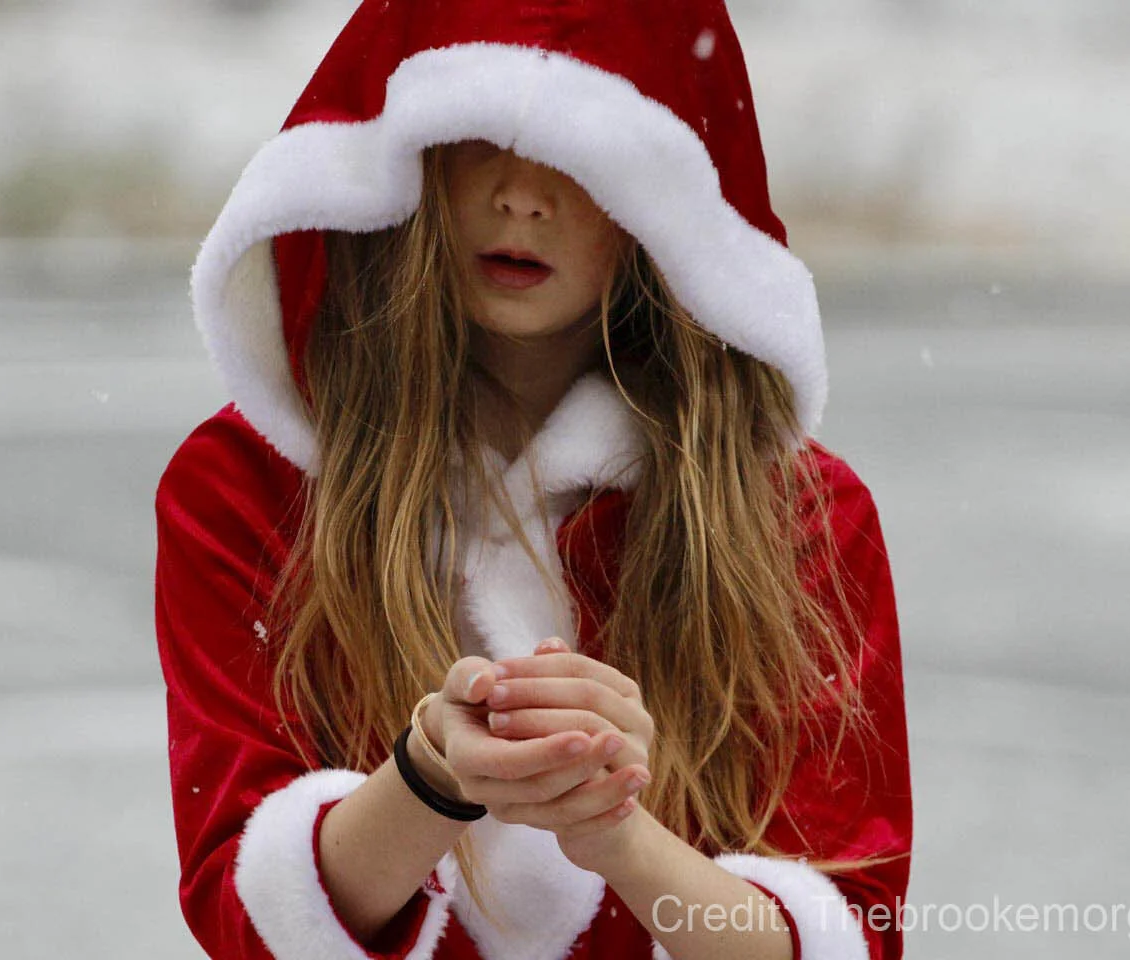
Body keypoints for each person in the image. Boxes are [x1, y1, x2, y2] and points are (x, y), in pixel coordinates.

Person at [153, 1, 913, 958]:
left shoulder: (795, 518)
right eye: (479, 137)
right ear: (404, 154)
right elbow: (245, 922)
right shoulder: (248, 487)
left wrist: (617, 834)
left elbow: (851, 934)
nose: (521, 195)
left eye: (580, 149)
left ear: (661, 190)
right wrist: (432, 776)